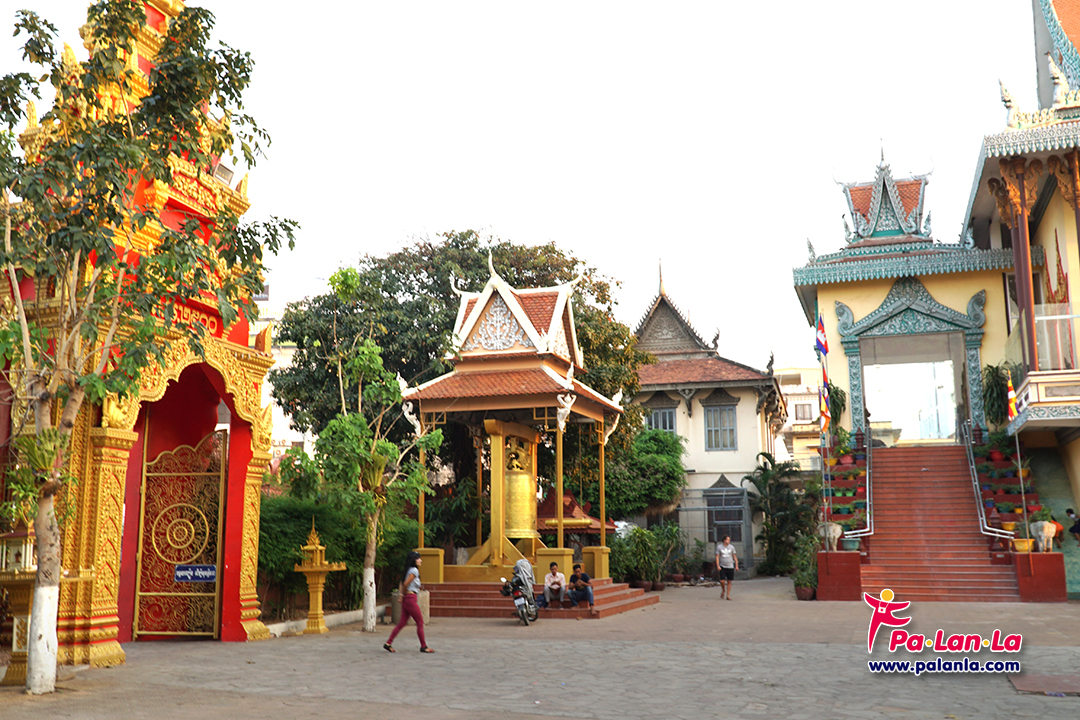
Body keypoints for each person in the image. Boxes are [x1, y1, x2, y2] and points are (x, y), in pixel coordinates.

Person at [384, 551, 434, 653]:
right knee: (420, 622)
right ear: (414, 560)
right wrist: (402, 595)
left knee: (402, 623)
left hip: (407, 599)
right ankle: (423, 646)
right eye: (418, 558)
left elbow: (401, 583)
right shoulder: (414, 570)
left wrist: (402, 595)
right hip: (410, 598)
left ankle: (388, 643)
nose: (420, 560)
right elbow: (406, 583)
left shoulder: (407, 570)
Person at [715, 535, 738, 600]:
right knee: (722, 581)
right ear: (724, 540)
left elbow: (734, 556)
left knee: (729, 581)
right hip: (722, 566)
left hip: (730, 566)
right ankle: (723, 590)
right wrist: (718, 565)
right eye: (728, 539)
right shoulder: (719, 547)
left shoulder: (732, 547)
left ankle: (728, 595)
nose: (729, 541)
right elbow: (717, 557)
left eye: (729, 539)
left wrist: (736, 565)